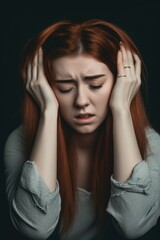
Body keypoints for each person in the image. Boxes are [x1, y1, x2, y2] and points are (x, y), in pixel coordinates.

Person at [3, 19, 160, 240]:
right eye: (64, 88)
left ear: (122, 82)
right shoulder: (20, 141)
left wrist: (122, 108)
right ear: (45, 87)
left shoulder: (151, 143)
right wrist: (48, 111)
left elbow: (133, 226)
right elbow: (34, 228)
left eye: (96, 85)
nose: (81, 101)